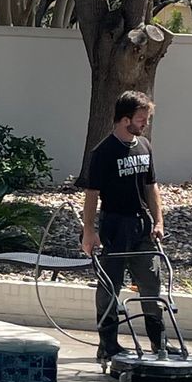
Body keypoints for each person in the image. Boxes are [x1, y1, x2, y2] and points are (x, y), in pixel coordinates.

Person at [80, 90, 168, 362]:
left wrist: (159, 221)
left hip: (142, 226)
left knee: (152, 283)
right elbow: (92, 194)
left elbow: (151, 186)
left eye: (147, 119)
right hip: (114, 225)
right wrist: (89, 231)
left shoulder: (145, 146)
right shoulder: (103, 152)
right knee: (110, 285)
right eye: (141, 119)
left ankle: (159, 343)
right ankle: (108, 344)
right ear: (124, 118)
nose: (145, 124)